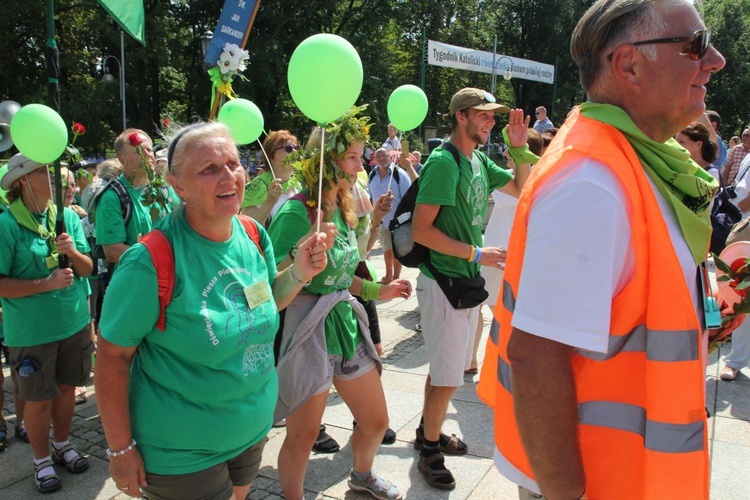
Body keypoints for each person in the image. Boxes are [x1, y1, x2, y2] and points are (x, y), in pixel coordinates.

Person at [477, 0, 729, 498]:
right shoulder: (592, 181)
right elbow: (535, 357)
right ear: (629, 64)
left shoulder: (628, 155)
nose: (716, 58)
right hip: (595, 480)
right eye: (696, 44)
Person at [95, 121, 330, 500]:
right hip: (182, 453)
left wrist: (300, 272)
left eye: (234, 164)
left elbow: (267, 298)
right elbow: (111, 357)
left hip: (250, 431)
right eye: (209, 169)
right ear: (178, 185)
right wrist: (120, 448)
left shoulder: (253, 234)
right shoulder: (151, 260)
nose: (229, 177)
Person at [268, 106, 410, 500]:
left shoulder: (345, 207)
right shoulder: (297, 213)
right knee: (304, 434)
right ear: (326, 160)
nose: (359, 163)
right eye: (350, 156)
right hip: (306, 329)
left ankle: (361, 476)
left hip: (344, 326)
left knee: (376, 420)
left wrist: (376, 292)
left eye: (360, 155)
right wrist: (301, 261)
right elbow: (267, 281)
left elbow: (345, 273)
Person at [411, 87, 531, 490]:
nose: (491, 121)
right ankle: (430, 450)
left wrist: (518, 148)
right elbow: (421, 231)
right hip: (444, 282)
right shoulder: (444, 163)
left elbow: (520, 188)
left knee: (445, 372)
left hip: (461, 282)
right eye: (484, 115)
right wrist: (477, 253)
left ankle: (427, 430)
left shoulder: (478, 160)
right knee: (448, 377)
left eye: (493, 115)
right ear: (461, 117)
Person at [0, 153, 94, 493]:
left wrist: (75, 250)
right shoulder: (7, 224)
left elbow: (86, 268)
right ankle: (40, 461)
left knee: (68, 389)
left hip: (72, 323)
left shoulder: (66, 216)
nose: (56, 178)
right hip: (32, 331)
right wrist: (46, 284)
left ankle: (63, 444)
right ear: (22, 179)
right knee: (38, 399)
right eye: (46, 171)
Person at [94, 128, 173, 268]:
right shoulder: (111, 197)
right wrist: (157, 256)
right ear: (122, 160)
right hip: (136, 282)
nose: (148, 155)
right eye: (140, 151)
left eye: (149, 150)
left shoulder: (166, 188)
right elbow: (112, 251)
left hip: (171, 279)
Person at [368, 148, 412, 284]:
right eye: (379, 156)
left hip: (397, 220)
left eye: (384, 156)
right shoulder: (372, 175)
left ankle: (396, 277)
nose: (382, 159)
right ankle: (388, 276)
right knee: (387, 250)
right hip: (381, 220)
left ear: (390, 158)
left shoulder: (400, 174)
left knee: (397, 250)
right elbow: (371, 196)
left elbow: (408, 196)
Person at [241, 130, 301, 226]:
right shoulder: (257, 187)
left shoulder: (298, 186)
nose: (294, 152)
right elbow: (248, 231)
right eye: (288, 148)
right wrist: (270, 201)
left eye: (296, 148)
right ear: (272, 156)